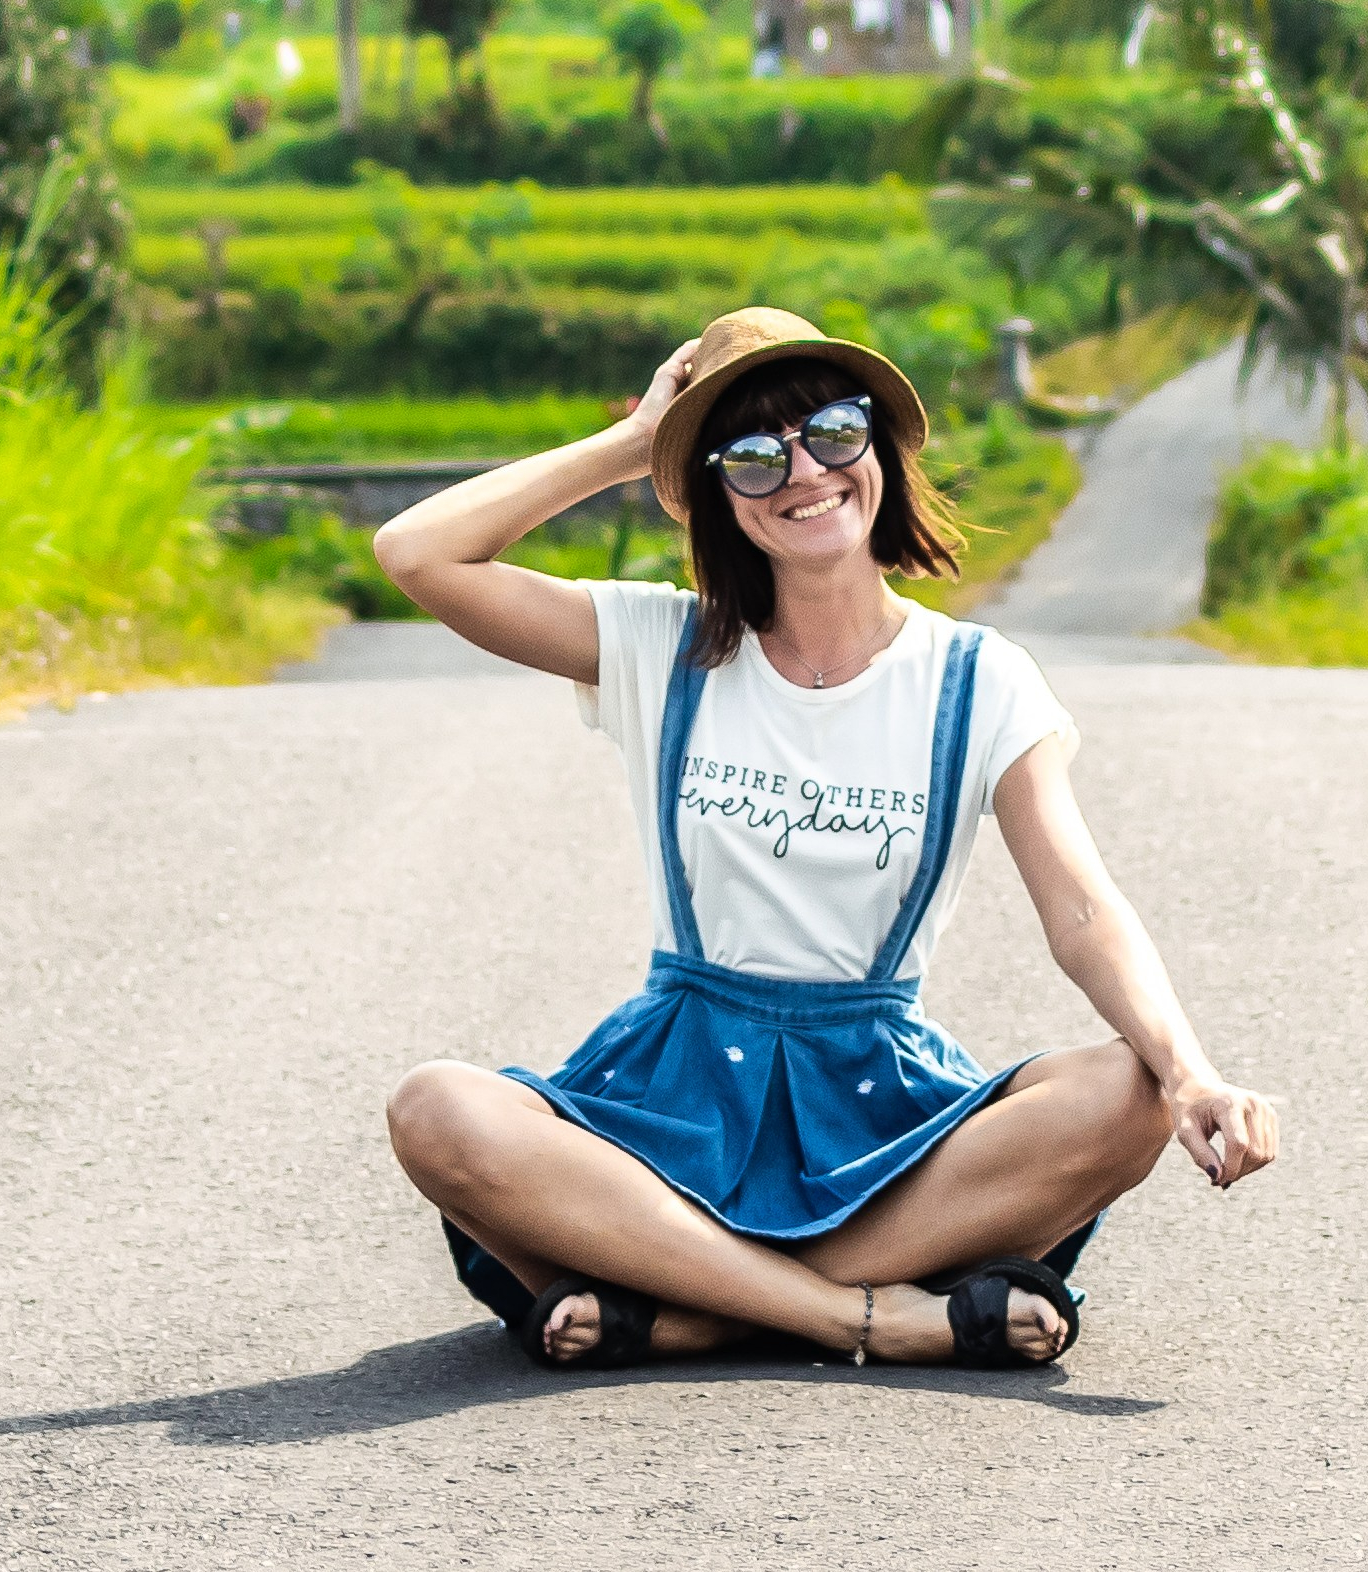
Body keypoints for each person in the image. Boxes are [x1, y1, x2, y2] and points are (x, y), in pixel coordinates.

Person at [373, 308, 1283, 1370]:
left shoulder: (977, 676)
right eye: (753, 454)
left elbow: (1081, 906)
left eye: (833, 433)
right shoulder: (661, 644)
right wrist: (636, 443)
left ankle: (691, 1307)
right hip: (672, 1096)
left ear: (879, 453)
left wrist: (1191, 1073)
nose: (803, 471)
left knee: (1125, 1093)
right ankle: (863, 1314)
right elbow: (417, 551)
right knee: (436, 1108)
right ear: (716, 492)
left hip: (874, 1109)